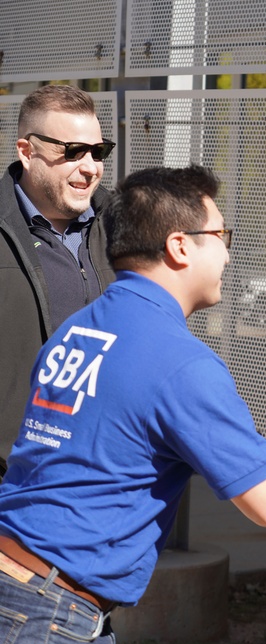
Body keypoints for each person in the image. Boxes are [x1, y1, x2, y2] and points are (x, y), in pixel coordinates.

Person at [0, 164, 266, 644]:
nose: (227, 250)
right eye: (221, 235)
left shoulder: (77, 330)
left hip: (27, 589)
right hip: (49, 615)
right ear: (180, 246)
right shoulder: (179, 362)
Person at [0, 85, 117, 467]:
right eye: (72, 152)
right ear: (26, 151)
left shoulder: (123, 230)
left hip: (101, 471)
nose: (90, 167)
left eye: (98, 152)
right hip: (14, 479)